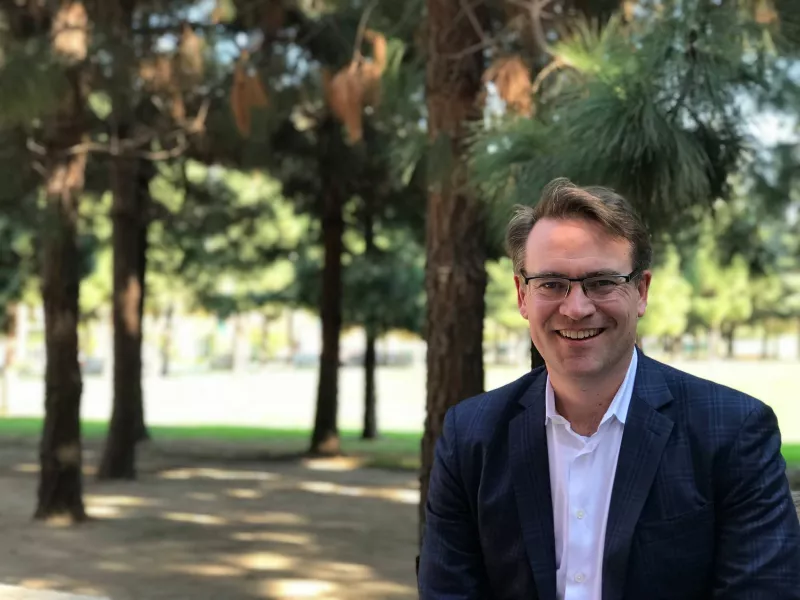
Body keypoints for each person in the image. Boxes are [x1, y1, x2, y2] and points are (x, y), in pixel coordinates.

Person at [417, 178, 800, 599]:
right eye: (551, 283)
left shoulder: (732, 431)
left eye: (601, 282)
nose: (577, 308)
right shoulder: (470, 436)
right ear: (522, 296)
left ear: (641, 291)